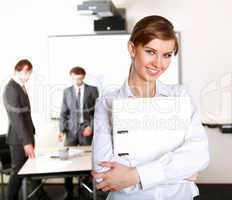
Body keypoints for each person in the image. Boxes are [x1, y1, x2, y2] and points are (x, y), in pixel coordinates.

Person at [92, 15, 209, 200]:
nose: (159, 64)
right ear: (132, 48)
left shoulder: (180, 96)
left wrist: (133, 175)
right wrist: (178, 173)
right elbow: (104, 175)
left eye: (167, 55)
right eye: (150, 51)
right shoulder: (107, 104)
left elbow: (199, 156)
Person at [3, 59, 50, 200]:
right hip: (19, 139)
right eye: (26, 71)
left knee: (31, 168)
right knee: (17, 172)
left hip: (26, 136)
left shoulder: (20, 86)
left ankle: (39, 195)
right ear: (16, 71)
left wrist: (30, 136)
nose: (28, 75)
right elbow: (17, 118)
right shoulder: (11, 88)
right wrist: (26, 142)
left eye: (30, 72)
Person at [58, 66, 99, 200]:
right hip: (71, 132)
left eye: (80, 78)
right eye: (75, 78)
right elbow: (64, 112)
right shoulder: (67, 91)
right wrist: (61, 130)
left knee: (87, 160)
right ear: (71, 77)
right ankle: (68, 191)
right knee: (67, 161)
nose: (78, 81)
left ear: (83, 77)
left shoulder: (92, 90)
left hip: (86, 129)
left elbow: (97, 112)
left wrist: (91, 127)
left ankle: (85, 189)